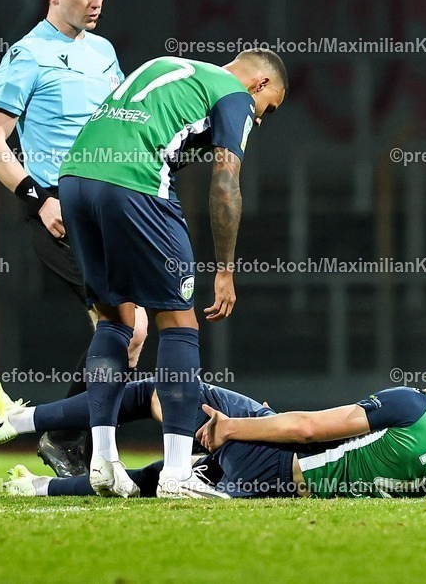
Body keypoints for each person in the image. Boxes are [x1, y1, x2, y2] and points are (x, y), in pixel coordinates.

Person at [56, 50, 288, 498]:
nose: (260, 120)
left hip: (75, 179)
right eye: (269, 109)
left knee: (115, 319)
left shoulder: (168, 66)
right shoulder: (234, 96)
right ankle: (178, 473)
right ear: (258, 84)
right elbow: (225, 181)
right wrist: (225, 270)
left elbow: (142, 129)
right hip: (134, 185)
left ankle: (103, 460)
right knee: (179, 322)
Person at [0, 0, 147, 477]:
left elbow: (121, 128)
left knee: (127, 333)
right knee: (128, 326)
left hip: (108, 209)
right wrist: (39, 197)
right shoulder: (28, 55)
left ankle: (68, 438)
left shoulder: (104, 52)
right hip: (59, 210)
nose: (97, 1)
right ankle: (68, 437)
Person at [0, 331, 426, 499]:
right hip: (283, 487)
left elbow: (309, 428)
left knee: (168, 389)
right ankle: (37, 490)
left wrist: (233, 428)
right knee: (164, 474)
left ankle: (22, 422)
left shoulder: (413, 405)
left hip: (276, 458)